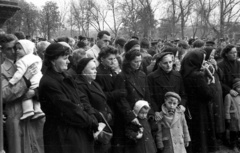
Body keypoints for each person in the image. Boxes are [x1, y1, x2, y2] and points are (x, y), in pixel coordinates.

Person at [39, 43, 98, 153]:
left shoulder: (65, 75)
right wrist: (91, 121)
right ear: (53, 60)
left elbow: (81, 97)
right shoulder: (48, 83)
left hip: (76, 130)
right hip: (62, 135)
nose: (68, 61)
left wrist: (91, 114)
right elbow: (68, 109)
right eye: (65, 58)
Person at [1, 33, 45, 153]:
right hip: (16, 116)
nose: (14, 51)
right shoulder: (2, 70)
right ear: (3, 51)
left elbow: (43, 84)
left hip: (36, 115)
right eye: (9, 49)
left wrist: (35, 92)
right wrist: (25, 80)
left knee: (38, 147)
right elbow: (3, 95)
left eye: (15, 47)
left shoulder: (32, 61)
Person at [113, 49, 153, 152]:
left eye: (140, 61)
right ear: (128, 61)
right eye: (135, 61)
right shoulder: (121, 76)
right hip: (129, 116)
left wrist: (148, 111)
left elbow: (147, 95)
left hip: (142, 113)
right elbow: (121, 99)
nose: (138, 64)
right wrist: (130, 115)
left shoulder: (142, 75)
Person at [180, 48, 216, 153]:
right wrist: (212, 83)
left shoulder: (183, 72)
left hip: (190, 108)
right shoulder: (198, 75)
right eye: (202, 60)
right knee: (202, 135)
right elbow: (208, 94)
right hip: (201, 109)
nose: (204, 62)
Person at [75, 57, 113, 153]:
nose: (95, 71)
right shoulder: (79, 86)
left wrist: (109, 113)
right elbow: (86, 106)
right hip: (95, 125)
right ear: (83, 72)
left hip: (104, 123)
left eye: (95, 68)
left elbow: (104, 100)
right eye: (92, 69)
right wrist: (102, 115)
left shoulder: (94, 83)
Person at [9, 39, 45, 120]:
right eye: (16, 48)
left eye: (20, 48)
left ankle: (28, 111)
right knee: (36, 96)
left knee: (26, 95)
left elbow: (19, 73)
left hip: (31, 81)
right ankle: (38, 110)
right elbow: (39, 67)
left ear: (26, 49)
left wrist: (12, 81)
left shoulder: (22, 61)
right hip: (39, 80)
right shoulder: (37, 58)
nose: (17, 50)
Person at [148, 51, 187, 118]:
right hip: (161, 113)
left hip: (176, 112)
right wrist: (156, 111)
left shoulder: (177, 75)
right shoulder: (152, 77)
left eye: (170, 62)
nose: (168, 65)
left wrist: (182, 105)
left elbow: (183, 93)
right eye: (165, 63)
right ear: (159, 64)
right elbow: (150, 97)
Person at [224, 78, 240, 152]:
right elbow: (226, 108)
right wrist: (227, 117)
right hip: (234, 118)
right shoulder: (229, 96)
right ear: (234, 87)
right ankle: (234, 145)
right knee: (233, 133)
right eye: (238, 87)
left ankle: (238, 144)